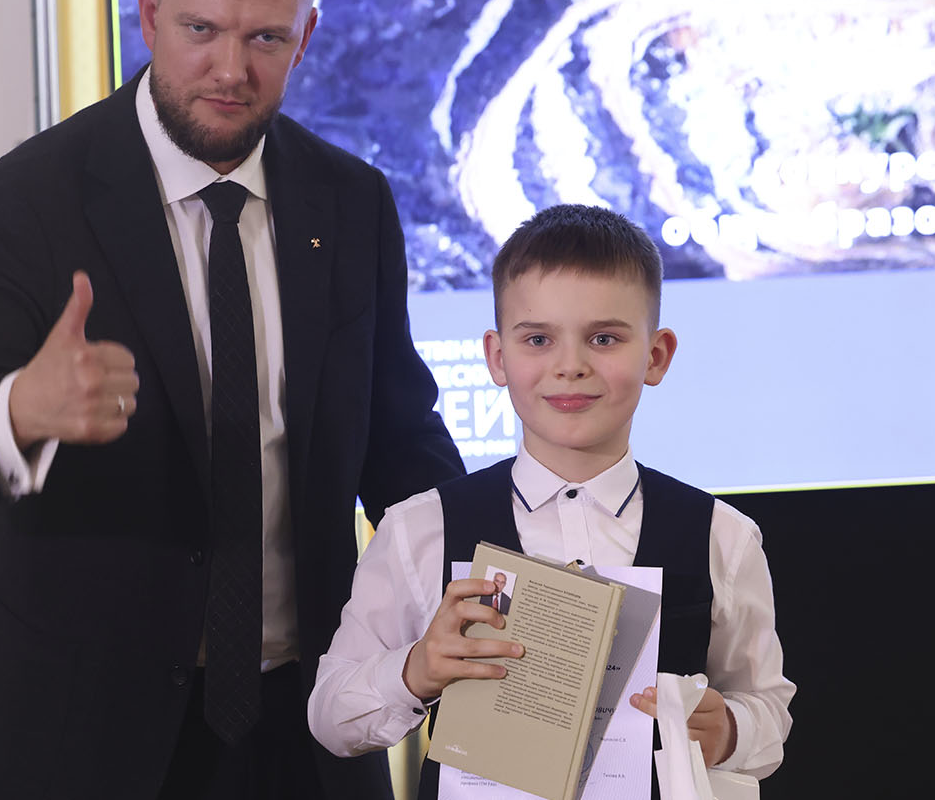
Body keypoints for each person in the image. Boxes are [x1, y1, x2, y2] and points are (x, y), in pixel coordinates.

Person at [0, 0, 464, 796]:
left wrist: (505, 569)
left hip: (302, 730)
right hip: (76, 740)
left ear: (306, 37)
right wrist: (21, 411)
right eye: (202, 30)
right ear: (151, 13)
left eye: (265, 38)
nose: (231, 69)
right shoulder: (28, 203)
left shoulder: (351, 204)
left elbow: (400, 445)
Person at [307, 204, 795, 794]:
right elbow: (330, 716)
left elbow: (768, 707)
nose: (570, 367)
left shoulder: (722, 534)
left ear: (656, 355)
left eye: (604, 338)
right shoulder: (420, 528)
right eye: (538, 339)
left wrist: (732, 730)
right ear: (496, 357)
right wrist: (414, 671)